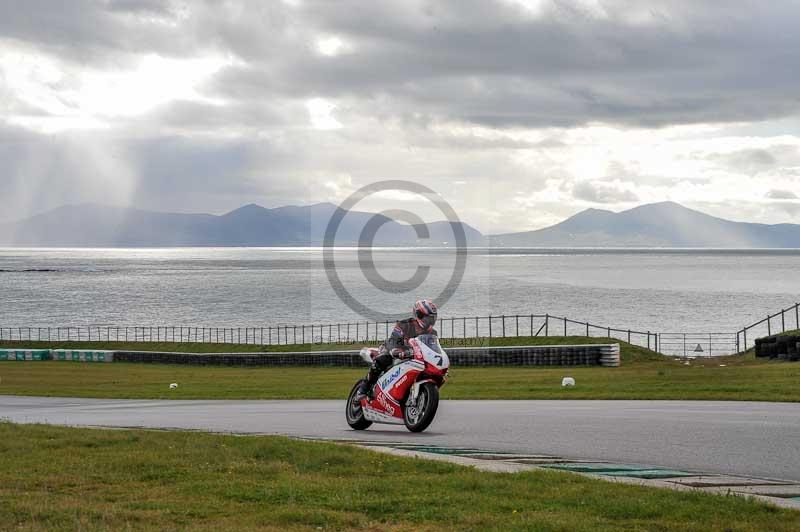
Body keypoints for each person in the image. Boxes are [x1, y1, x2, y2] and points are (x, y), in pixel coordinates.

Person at [356, 299, 438, 400]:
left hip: (414, 356)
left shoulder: (432, 333)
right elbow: (394, 339)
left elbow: (432, 349)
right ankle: (363, 389)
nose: (428, 321)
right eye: (426, 318)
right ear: (418, 315)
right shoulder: (405, 324)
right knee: (382, 359)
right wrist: (395, 350)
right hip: (392, 350)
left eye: (431, 319)